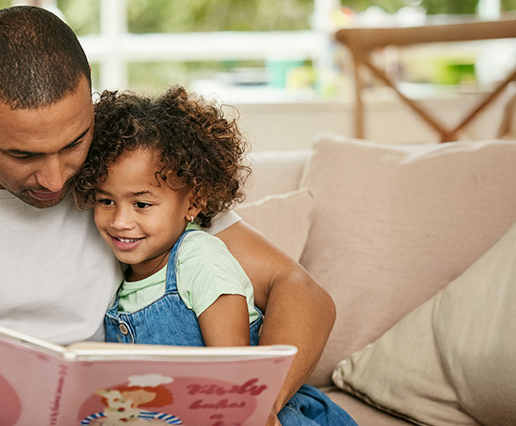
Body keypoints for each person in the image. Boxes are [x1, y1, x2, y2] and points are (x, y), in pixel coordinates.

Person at [0, 6, 336, 426]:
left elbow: (299, 290)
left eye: (73, 142)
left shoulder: (125, 168)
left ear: (91, 102)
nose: (57, 179)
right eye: (22, 155)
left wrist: (255, 409)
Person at [72, 86, 355, 425]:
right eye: (106, 201)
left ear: (193, 203)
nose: (120, 221)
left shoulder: (200, 259)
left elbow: (236, 379)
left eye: (142, 204)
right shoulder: (122, 273)